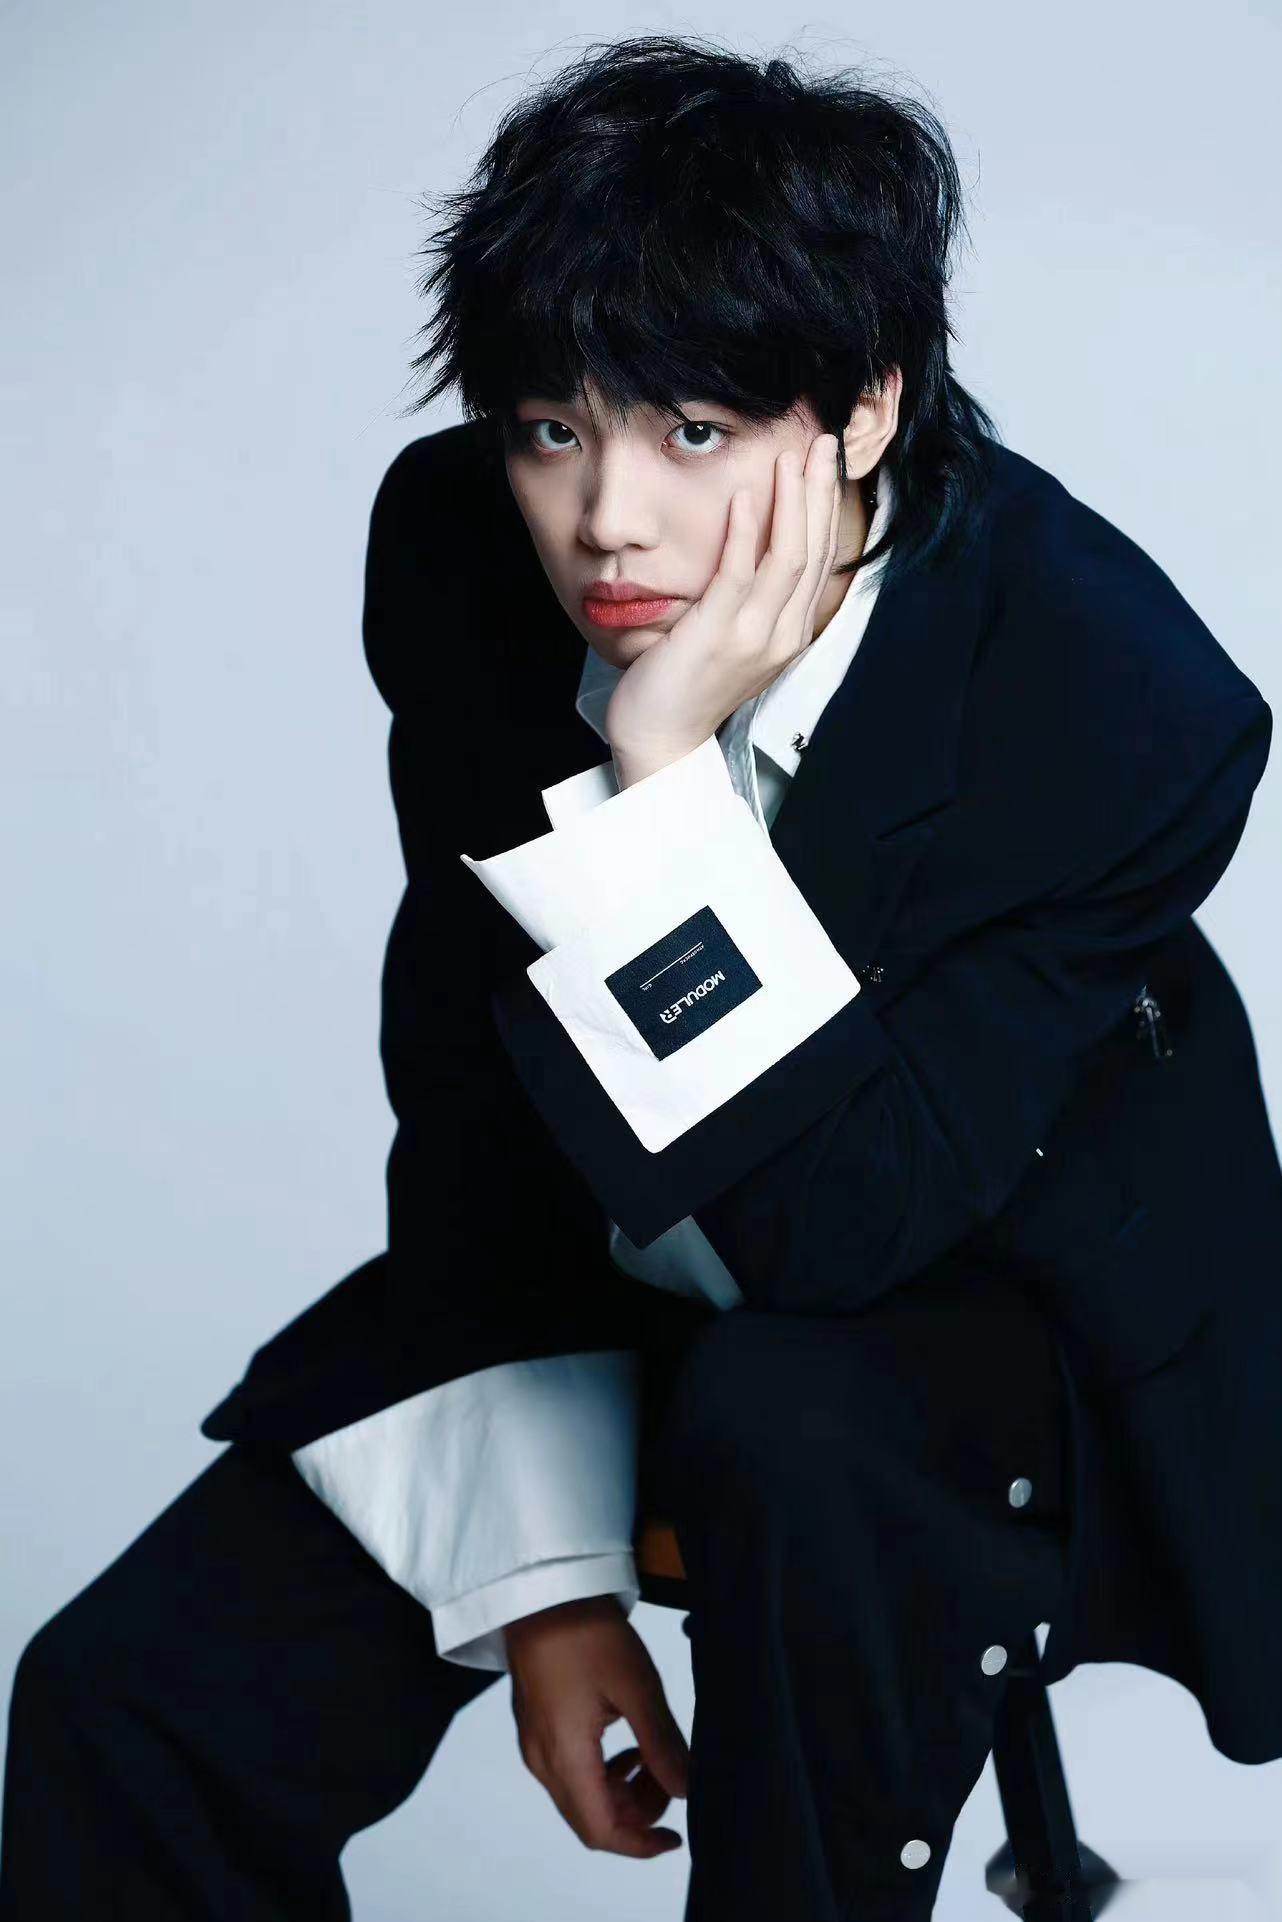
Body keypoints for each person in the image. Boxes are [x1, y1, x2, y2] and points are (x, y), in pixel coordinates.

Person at [3, 33, 1280, 1922]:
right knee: (124, 1705)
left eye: (691, 431)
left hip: (990, 1317)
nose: (606, 517)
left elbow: (838, 1233)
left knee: (785, 1421)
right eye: (550, 427)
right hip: (606, 1251)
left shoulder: (1114, 701)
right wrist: (542, 1579)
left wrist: (662, 787)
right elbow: (464, 1067)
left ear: (863, 407)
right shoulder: (460, 557)